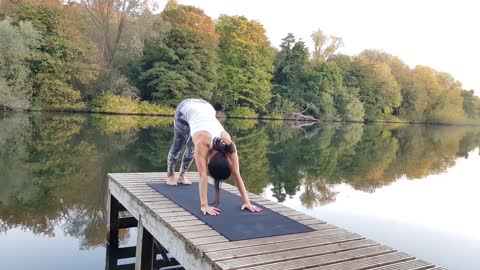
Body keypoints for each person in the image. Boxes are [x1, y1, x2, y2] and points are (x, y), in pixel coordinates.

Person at [167, 98, 262, 216]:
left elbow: (236, 173)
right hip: (185, 108)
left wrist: (247, 202)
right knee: (179, 145)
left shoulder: (229, 146)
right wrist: (204, 205)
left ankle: (181, 175)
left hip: (206, 108)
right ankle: (171, 174)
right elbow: (202, 175)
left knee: (191, 147)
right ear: (209, 162)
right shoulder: (203, 142)